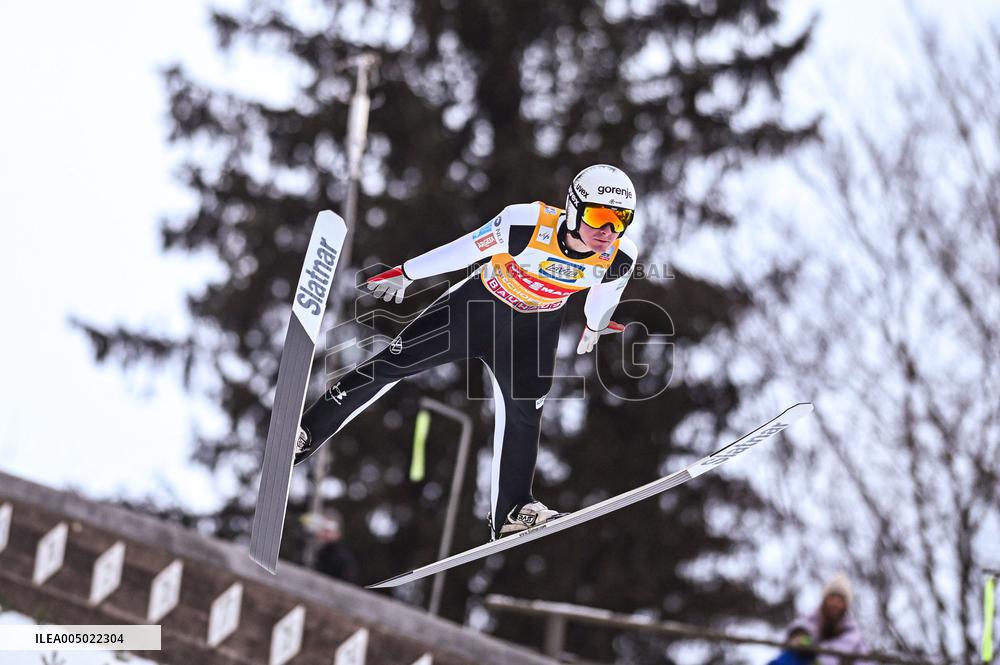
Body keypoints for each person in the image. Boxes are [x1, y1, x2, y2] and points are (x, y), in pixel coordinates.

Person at [293, 164, 640, 541]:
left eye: (621, 221)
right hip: (477, 309)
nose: (608, 232)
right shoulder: (526, 223)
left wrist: (594, 326)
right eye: (599, 217)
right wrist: (407, 273)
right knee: (394, 363)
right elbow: (466, 248)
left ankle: (512, 510)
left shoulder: (620, 256)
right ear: (573, 209)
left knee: (526, 410)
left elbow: (605, 298)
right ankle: (308, 431)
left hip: (534, 330)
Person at [768, 574, 871, 665]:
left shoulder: (855, 640)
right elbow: (799, 631)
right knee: (793, 655)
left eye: (840, 600)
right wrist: (799, 636)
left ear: (846, 605)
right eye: (832, 598)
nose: (835, 604)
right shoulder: (807, 626)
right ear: (824, 600)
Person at [302, 509, 361, 584]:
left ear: (338, 534)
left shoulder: (342, 559)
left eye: (328, 530)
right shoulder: (318, 554)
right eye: (322, 529)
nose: (323, 534)